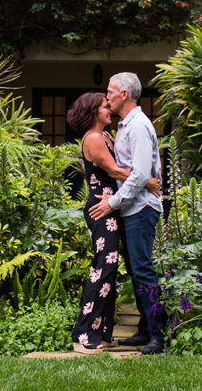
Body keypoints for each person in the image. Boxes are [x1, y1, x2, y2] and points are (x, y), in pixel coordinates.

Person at [66, 92, 160, 354]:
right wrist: (147, 180)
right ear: (92, 111)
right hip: (100, 208)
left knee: (109, 269)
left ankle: (103, 332)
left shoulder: (107, 135)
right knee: (102, 269)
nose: (109, 109)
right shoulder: (94, 138)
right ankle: (84, 334)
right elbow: (115, 171)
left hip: (111, 206)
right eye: (104, 107)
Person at [89, 72, 164, 355]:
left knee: (143, 269)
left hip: (141, 208)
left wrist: (113, 202)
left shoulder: (139, 127)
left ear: (124, 94)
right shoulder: (125, 126)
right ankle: (145, 330)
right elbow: (128, 168)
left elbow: (141, 173)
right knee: (136, 271)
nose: (106, 95)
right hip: (131, 208)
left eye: (110, 91)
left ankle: (157, 335)